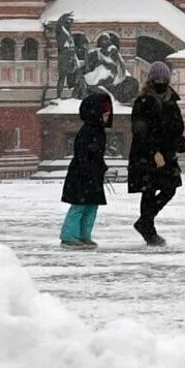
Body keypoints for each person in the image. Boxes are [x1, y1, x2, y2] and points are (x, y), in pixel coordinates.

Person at [128, 61, 185, 245]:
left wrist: (179, 142)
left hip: (167, 153)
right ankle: (149, 229)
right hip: (147, 153)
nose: (160, 81)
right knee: (149, 190)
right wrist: (154, 152)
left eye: (164, 78)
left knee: (170, 188)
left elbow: (177, 125)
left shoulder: (171, 100)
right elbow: (140, 130)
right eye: (157, 78)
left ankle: (144, 221)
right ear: (151, 79)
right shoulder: (143, 101)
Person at [59, 88, 113, 248]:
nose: (107, 116)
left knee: (91, 205)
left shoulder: (98, 130)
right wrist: (89, 169)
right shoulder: (88, 131)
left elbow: (96, 154)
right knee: (79, 205)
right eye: (105, 113)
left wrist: (100, 168)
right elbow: (83, 153)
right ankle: (69, 236)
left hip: (93, 174)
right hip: (82, 174)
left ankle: (84, 235)